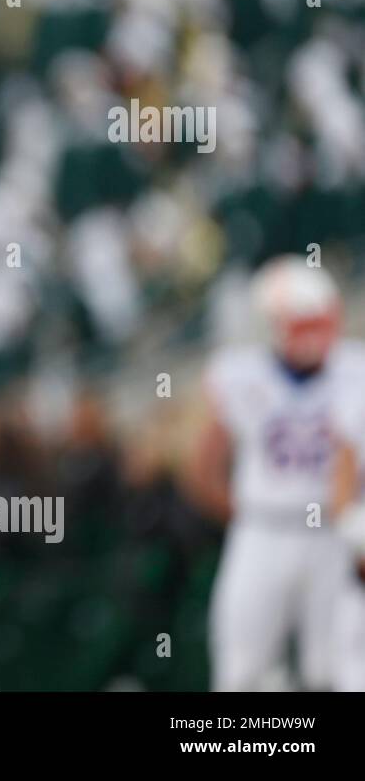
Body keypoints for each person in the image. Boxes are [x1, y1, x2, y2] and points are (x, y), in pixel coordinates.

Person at [188, 255, 365, 690]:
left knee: (334, 669)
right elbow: (202, 467)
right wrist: (246, 513)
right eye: (303, 322)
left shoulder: (354, 369)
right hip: (263, 530)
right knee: (242, 664)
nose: (315, 334)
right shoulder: (240, 374)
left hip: (333, 531)